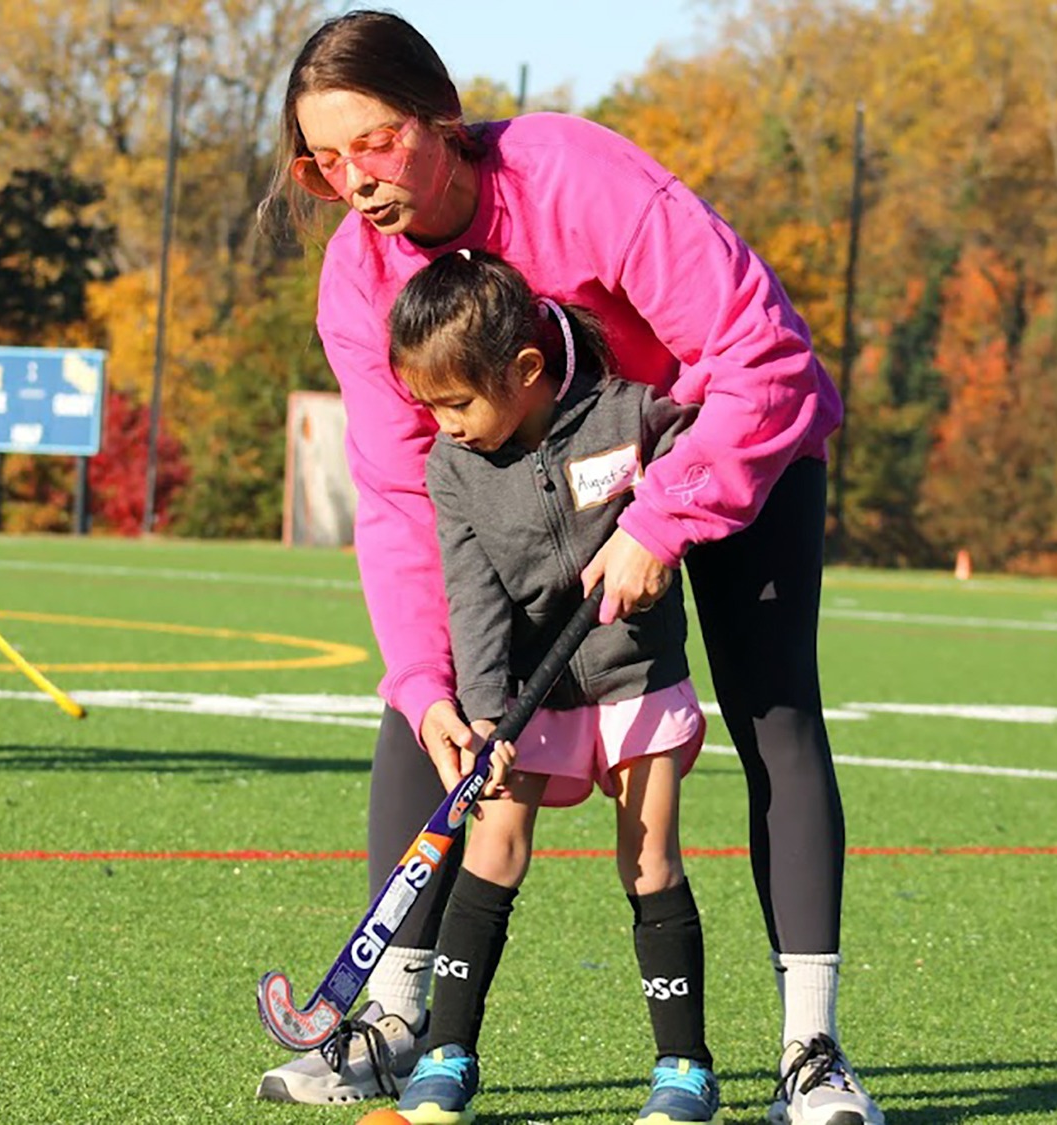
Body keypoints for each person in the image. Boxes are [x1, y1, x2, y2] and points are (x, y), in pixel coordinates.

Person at [255, 12, 882, 1125]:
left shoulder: (570, 174)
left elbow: (761, 360)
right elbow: (403, 500)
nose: (354, 180)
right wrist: (421, 678)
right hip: (523, 491)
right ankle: (393, 1024)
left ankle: (812, 1056)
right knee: (428, 706)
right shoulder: (358, 281)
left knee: (772, 703)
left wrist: (665, 516)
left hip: (727, 447)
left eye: (378, 142)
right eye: (325, 160)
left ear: (441, 119)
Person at [379, 250, 716, 1125]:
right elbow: (472, 598)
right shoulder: (453, 470)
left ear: (525, 372)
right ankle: (447, 1051)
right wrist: (486, 713)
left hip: (636, 674)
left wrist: (656, 525)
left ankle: (683, 1067)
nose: (445, 424)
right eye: (430, 406)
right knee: (492, 849)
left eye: (457, 402)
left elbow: (698, 442)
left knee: (649, 857)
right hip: (530, 687)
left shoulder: (624, 414)